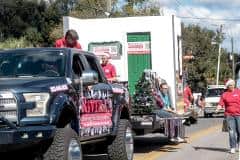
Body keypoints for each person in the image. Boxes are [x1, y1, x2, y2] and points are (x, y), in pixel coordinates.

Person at [216, 79, 240, 154]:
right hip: (229, 115)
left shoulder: (238, 92)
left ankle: (239, 144)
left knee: (239, 130)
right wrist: (218, 108)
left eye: (233, 84)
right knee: (231, 132)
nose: (232, 86)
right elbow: (220, 103)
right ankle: (232, 147)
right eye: (230, 85)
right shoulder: (224, 94)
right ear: (227, 86)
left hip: (239, 114)